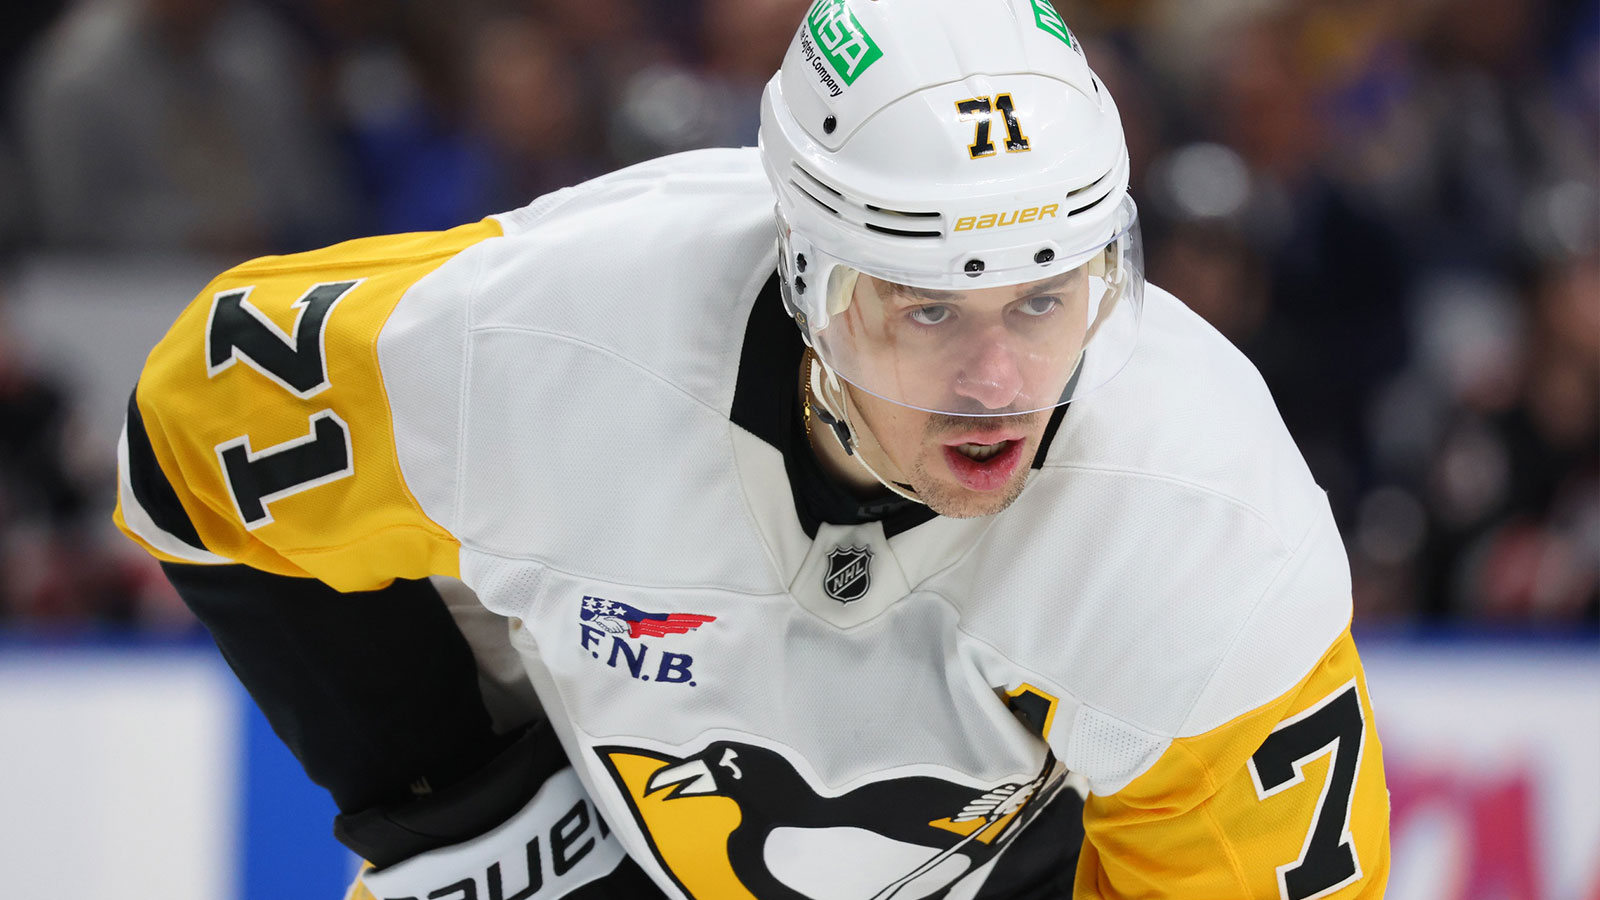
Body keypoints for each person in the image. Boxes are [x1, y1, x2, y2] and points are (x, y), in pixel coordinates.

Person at [113, 1, 1392, 897]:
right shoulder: (540, 339)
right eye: (928, 308)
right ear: (805, 275)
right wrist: (469, 811)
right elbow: (201, 422)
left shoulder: (1199, 515)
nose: (996, 387)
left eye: (1046, 300)